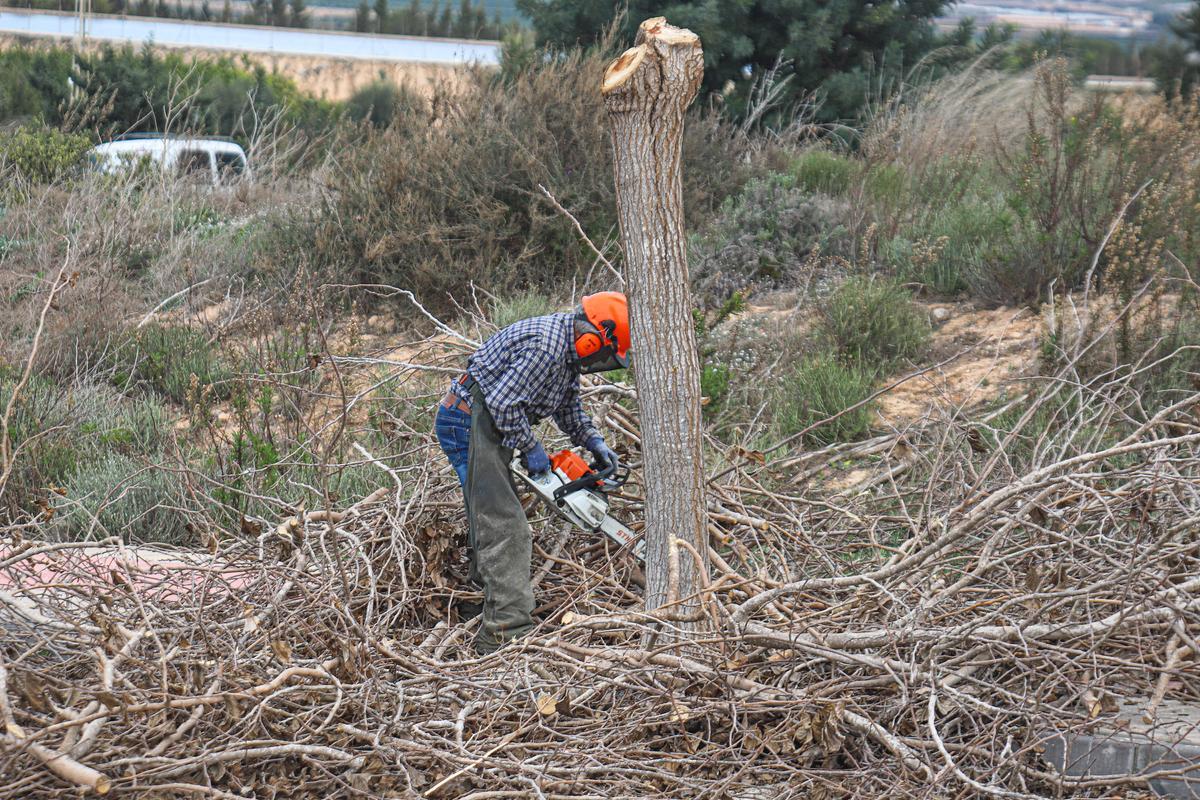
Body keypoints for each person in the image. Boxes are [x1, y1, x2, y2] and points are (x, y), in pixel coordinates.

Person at [435, 292, 631, 654]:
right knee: (505, 524)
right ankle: (504, 633)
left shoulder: (566, 354)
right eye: (606, 355)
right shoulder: (547, 348)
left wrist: (595, 442)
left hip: (485, 422)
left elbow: (568, 407)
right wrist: (531, 447)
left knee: (493, 514)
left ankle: (482, 603)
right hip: (468, 421)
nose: (602, 362)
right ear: (592, 339)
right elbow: (503, 403)